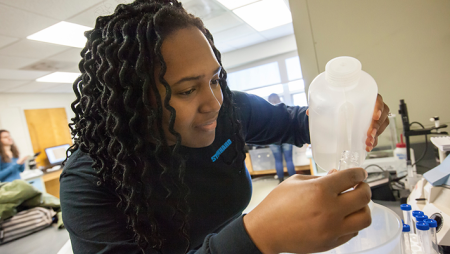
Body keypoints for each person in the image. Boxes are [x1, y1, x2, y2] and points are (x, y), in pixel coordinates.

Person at [60, 1, 391, 253]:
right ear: (131, 100)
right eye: (188, 90)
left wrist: (347, 112)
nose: (214, 102)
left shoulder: (230, 111)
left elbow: (294, 122)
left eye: (215, 79)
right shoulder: (90, 180)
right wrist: (257, 236)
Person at [267, 93, 296, 183]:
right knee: (289, 159)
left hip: (273, 140)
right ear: (279, 99)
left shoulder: (266, 111)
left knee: (278, 161)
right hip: (287, 137)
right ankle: (294, 180)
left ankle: (281, 181)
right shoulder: (285, 109)